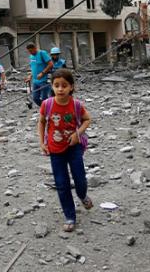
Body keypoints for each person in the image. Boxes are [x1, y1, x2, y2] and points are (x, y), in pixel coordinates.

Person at [37, 69, 93, 232]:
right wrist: (42, 143)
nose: (60, 89)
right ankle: (70, 216)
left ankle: (82, 196)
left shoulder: (76, 105)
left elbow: (87, 119)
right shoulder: (47, 105)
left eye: (64, 85)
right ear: (52, 87)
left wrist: (78, 134)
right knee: (62, 184)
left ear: (71, 87)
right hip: (55, 151)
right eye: (56, 85)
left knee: (80, 179)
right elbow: (41, 123)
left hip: (73, 148)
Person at [25, 43, 53, 109]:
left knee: (44, 98)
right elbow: (33, 68)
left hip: (44, 80)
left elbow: (51, 64)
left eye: (31, 51)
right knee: (35, 98)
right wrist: (30, 76)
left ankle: (46, 110)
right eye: (29, 51)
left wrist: (42, 73)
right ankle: (46, 109)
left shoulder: (42, 53)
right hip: (35, 81)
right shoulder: (31, 56)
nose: (30, 53)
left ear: (35, 48)